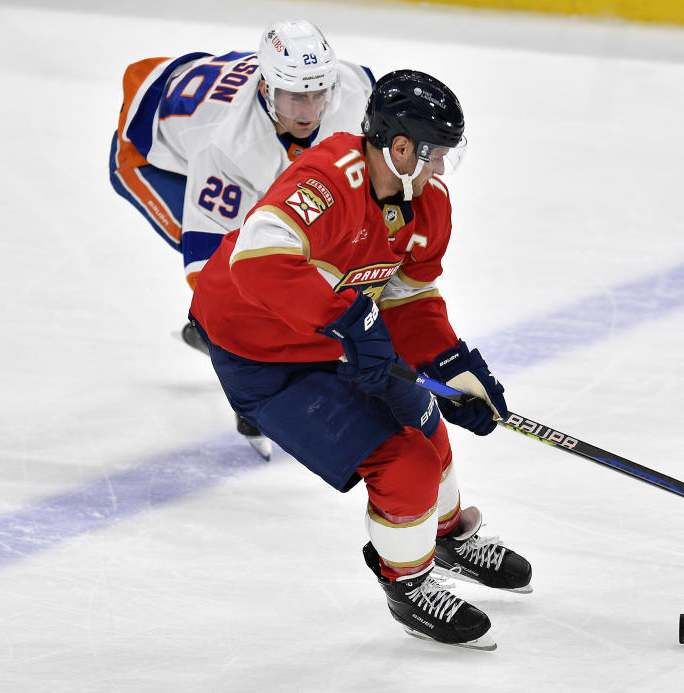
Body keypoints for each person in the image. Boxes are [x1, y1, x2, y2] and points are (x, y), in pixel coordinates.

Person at [189, 69, 532, 650]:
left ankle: (443, 533)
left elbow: (411, 297)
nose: (443, 170)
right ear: (400, 148)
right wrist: (350, 321)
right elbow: (256, 259)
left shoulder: (426, 201)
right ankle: (407, 582)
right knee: (405, 466)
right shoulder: (327, 180)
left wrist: (452, 367)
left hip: (333, 335)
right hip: (263, 358)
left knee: (426, 414)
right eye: (436, 155)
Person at [109, 20, 375, 460]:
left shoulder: (349, 88)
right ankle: (219, 350)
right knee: (242, 265)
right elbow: (209, 270)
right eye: (295, 96)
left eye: (317, 93)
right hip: (146, 151)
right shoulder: (226, 146)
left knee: (288, 238)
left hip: (200, 85)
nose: (311, 110)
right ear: (267, 90)